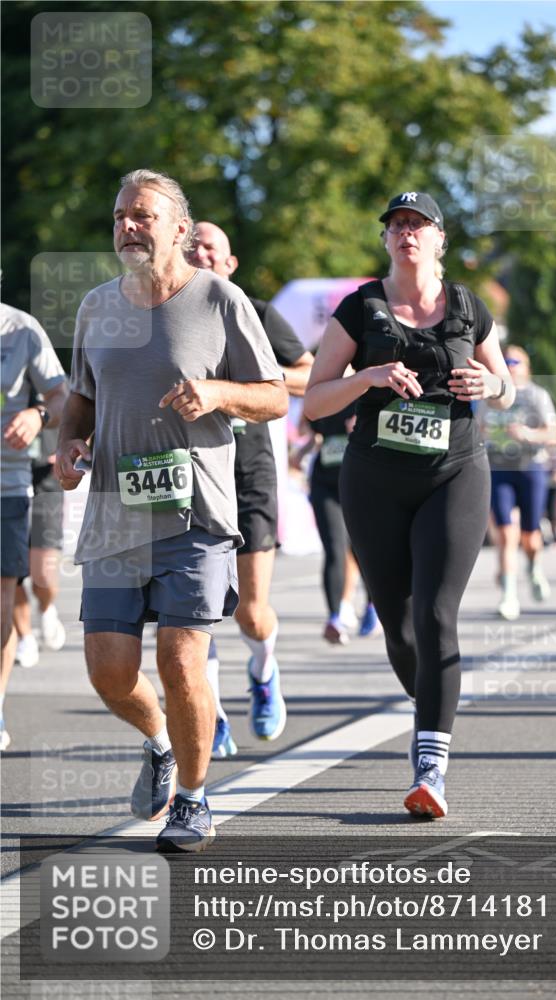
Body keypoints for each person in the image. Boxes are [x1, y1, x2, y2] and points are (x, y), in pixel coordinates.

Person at [55, 170, 287, 852]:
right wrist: (71, 446)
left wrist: (218, 392)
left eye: (143, 216)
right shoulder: (97, 307)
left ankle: (192, 796)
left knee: (182, 659)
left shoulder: (220, 299)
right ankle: (157, 742)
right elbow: (82, 400)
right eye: (122, 214)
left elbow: (273, 396)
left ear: (179, 229)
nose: (129, 225)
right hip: (114, 514)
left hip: (197, 514)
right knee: (109, 672)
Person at [304, 190, 514, 819]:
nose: (407, 234)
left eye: (418, 225)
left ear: (440, 241)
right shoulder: (360, 309)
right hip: (374, 479)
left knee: (436, 611)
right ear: (386, 241)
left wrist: (492, 383)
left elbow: (504, 387)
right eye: (396, 226)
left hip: (454, 472)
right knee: (396, 624)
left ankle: (430, 766)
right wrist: (366, 377)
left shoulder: (469, 308)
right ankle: (434, 705)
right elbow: (314, 401)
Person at [189, 221, 314, 753]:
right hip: (190, 471)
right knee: (194, 608)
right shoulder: (161, 317)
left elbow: (309, 375)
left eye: (210, 246)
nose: (200, 252)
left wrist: (238, 386)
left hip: (251, 471)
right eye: (190, 244)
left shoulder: (257, 312)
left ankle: (264, 674)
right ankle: (211, 714)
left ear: (230, 262)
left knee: (251, 611)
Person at [1, 302, 67, 749]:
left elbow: (63, 395)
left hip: (8, 484)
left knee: (16, 587)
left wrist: (38, 415)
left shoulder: (22, 329)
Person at [477, 345, 556, 621]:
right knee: (504, 533)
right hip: (499, 467)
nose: (511, 366)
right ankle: (509, 596)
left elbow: (554, 434)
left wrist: (527, 434)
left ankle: (534, 565)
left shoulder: (537, 395)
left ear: (526, 367)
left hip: (530, 468)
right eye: (506, 360)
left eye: (516, 361)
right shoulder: (489, 395)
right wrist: (484, 435)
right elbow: (476, 430)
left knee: (530, 535)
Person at [296, 404, 380, 644]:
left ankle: (373, 607)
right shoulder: (324, 391)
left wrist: (365, 428)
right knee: (334, 548)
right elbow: (310, 432)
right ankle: (334, 617)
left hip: (359, 482)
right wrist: (301, 453)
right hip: (326, 485)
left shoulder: (367, 390)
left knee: (362, 549)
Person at [14, 424, 68, 668]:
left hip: (47, 478)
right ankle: (25, 637)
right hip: (8, 479)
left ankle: (46, 609)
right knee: (8, 574)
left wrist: (73, 445)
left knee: (43, 574)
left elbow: (86, 407)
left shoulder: (56, 385)